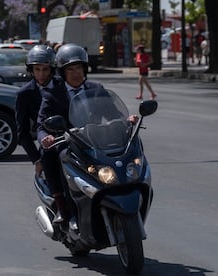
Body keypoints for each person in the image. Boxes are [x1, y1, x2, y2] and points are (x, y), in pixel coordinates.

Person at [37, 43, 138, 225]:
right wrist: (46, 137)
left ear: (85, 69)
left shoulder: (96, 89)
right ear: (63, 72)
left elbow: (113, 113)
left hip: (94, 140)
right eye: (71, 69)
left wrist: (127, 120)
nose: (76, 73)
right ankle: (62, 206)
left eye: (79, 68)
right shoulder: (52, 94)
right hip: (67, 143)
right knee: (53, 155)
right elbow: (41, 123)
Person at [14, 45, 65, 221]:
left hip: (72, 137)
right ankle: (61, 208)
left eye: (45, 69)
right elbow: (22, 133)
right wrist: (36, 159)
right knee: (49, 160)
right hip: (47, 142)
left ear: (52, 69)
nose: (41, 74)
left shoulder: (63, 85)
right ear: (31, 70)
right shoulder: (24, 94)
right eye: (37, 69)